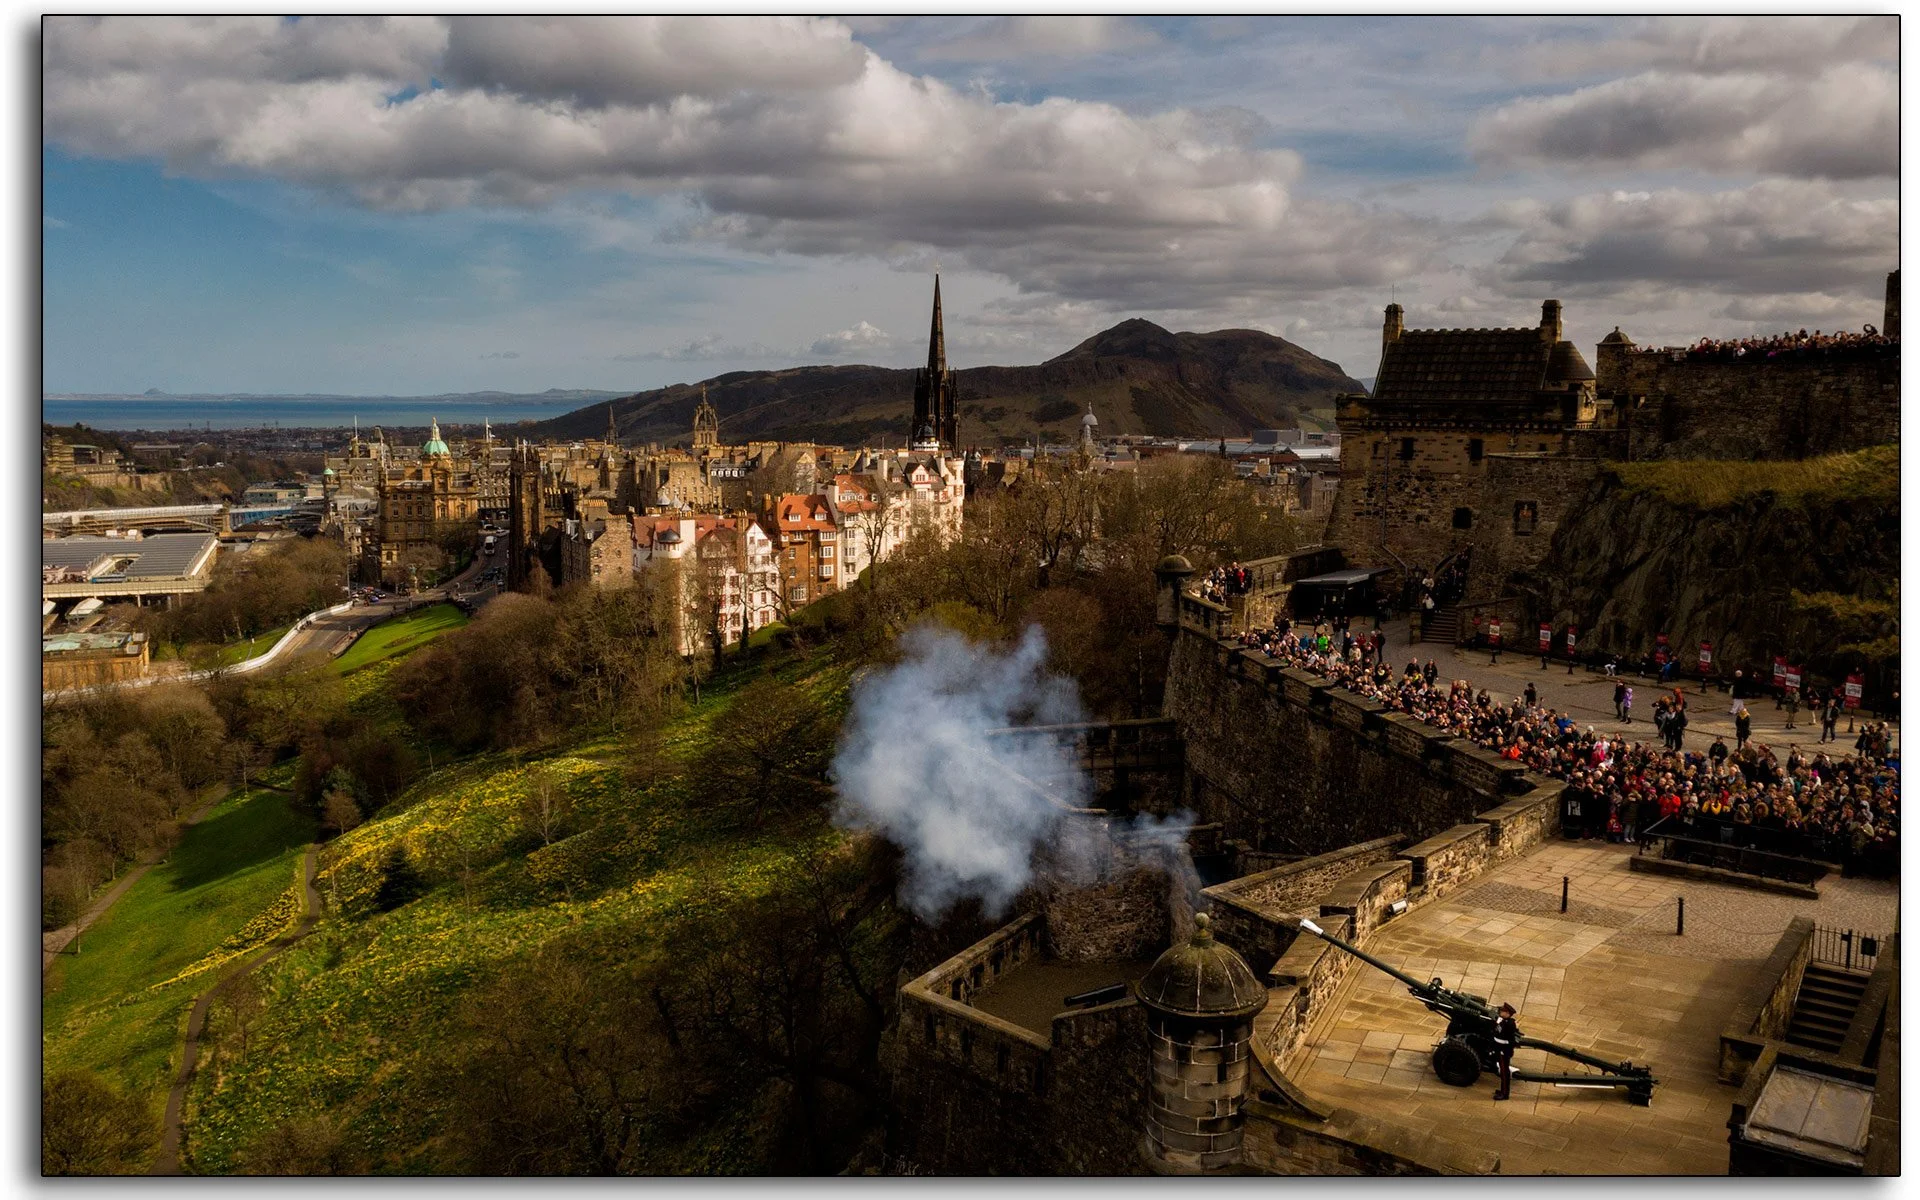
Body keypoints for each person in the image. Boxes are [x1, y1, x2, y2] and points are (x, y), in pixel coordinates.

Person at [1491, 1002, 1519, 1100]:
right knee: (1503, 1072)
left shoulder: (1510, 1024)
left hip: (1504, 1051)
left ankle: (1505, 1093)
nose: (1501, 1012)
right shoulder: (1503, 1021)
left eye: (1503, 1011)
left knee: (1504, 1072)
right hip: (1500, 1049)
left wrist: (1503, 1051)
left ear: (1508, 1014)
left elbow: (1508, 1040)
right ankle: (1503, 1090)